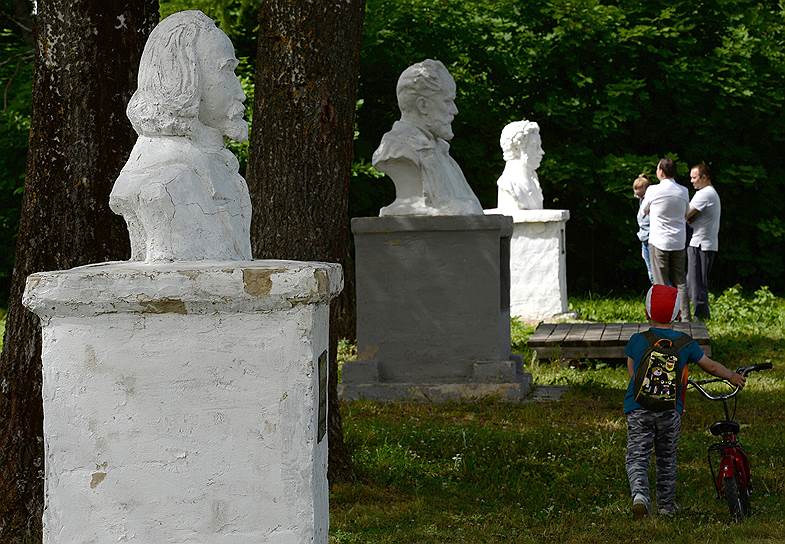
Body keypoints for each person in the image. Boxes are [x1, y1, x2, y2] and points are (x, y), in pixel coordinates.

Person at [110, 10, 252, 262]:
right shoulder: (166, 181)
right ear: (184, 78)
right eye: (226, 70)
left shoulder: (222, 173)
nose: (240, 92)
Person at [624, 284, 745, 518]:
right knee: (666, 458)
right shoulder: (685, 342)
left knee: (638, 454)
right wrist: (731, 375)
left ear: (646, 313)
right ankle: (666, 507)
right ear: (678, 314)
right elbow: (709, 365)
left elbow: (632, 372)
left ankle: (640, 495)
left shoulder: (637, 340)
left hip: (639, 408)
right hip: (670, 410)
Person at [372, 59, 483, 216]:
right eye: (447, 101)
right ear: (422, 105)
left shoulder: (442, 152)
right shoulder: (397, 149)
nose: (455, 110)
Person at [641, 158, 690, 320]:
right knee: (680, 281)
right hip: (678, 241)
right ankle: (685, 317)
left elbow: (643, 211)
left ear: (661, 171)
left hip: (659, 241)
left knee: (660, 282)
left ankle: (663, 317)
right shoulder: (683, 191)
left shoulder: (653, 190)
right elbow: (686, 213)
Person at [686, 163, 721, 320]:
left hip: (701, 244)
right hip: (705, 243)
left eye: (694, 177)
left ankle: (701, 318)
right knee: (690, 283)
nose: (692, 181)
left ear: (704, 177)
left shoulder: (704, 194)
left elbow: (686, 214)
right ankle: (683, 314)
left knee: (697, 284)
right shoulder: (710, 193)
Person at [496, 120, 544, 211]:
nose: (541, 152)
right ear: (517, 148)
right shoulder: (508, 184)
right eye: (535, 146)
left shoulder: (534, 181)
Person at [633, 174, 654, 284]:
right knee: (650, 270)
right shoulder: (642, 201)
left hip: (649, 238)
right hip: (644, 238)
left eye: (638, 188)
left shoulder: (649, 201)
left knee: (653, 272)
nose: (636, 192)